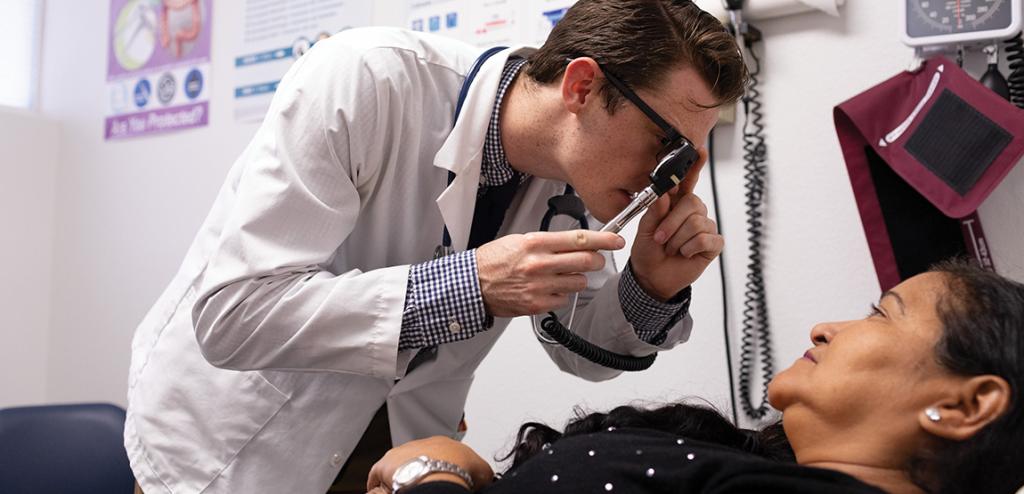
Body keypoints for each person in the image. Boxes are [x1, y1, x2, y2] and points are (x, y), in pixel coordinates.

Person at [124, 1, 746, 493]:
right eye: (667, 145)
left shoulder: (577, 176)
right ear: (582, 88)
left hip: (401, 449)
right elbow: (234, 315)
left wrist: (649, 284)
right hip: (237, 444)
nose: (673, 179)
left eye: (688, 157)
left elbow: (582, 352)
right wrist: (468, 287)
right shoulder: (369, 79)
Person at [367, 260, 1024, 494]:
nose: (826, 328)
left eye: (881, 316)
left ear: (968, 406)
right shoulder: (739, 459)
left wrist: (433, 476)